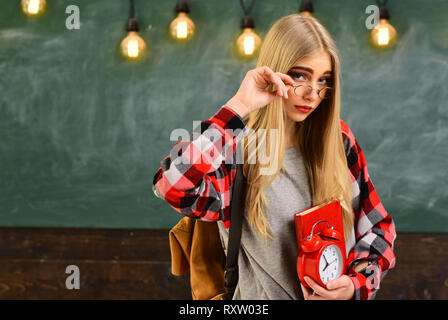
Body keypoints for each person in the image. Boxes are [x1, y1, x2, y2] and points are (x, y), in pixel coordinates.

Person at [152, 13, 396, 300]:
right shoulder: (238, 153)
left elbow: (378, 230)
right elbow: (172, 185)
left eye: (323, 80)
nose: (312, 93)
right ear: (275, 72)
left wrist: (355, 285)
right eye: (299, 75)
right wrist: (239, 106)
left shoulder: (339, 141)